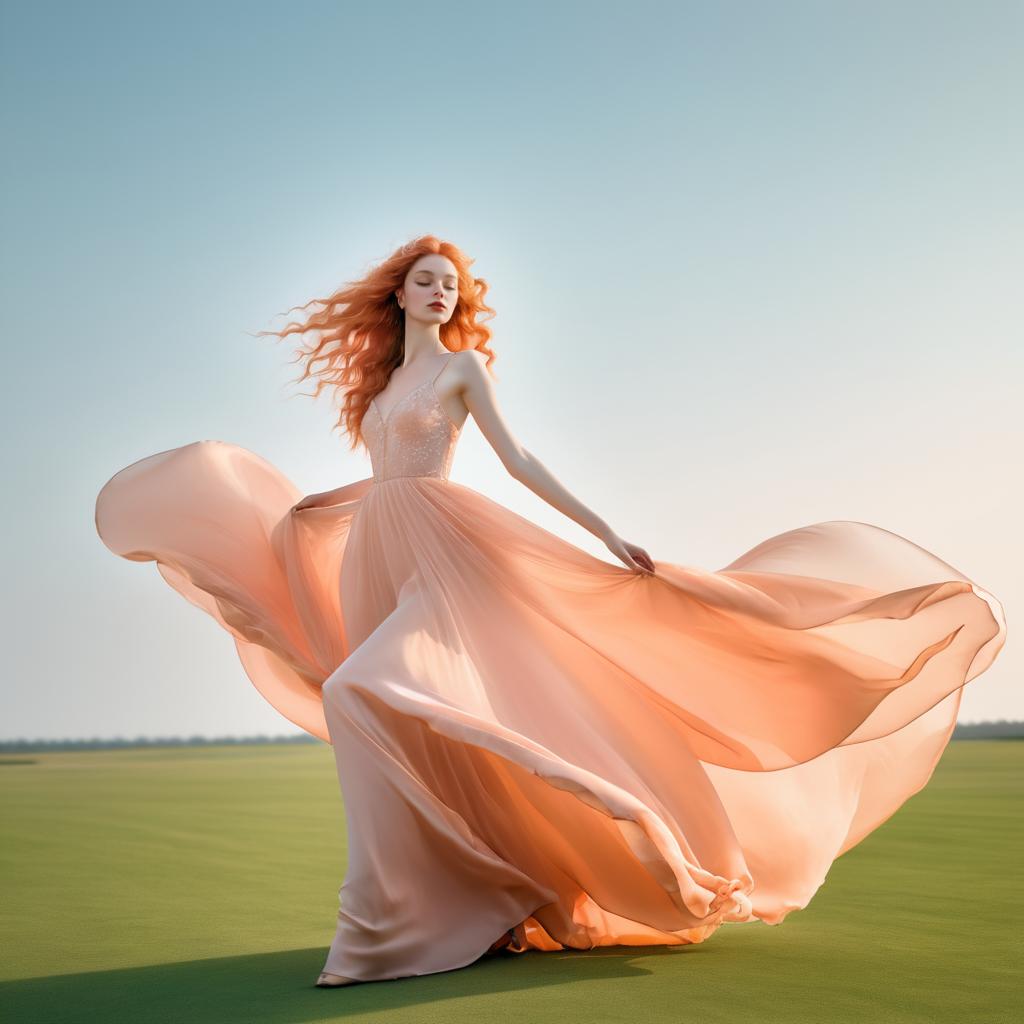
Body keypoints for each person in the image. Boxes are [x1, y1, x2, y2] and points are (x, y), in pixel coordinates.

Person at [94, 235, 1007, 989]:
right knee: (416, 725)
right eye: (424, 280)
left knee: (361, 693)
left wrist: (605, 528)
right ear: (398, 292)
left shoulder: (463, 370)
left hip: (447, 557)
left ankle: (386, 926)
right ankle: (483, 901)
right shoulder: (379, 392)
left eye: (451, 285)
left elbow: (519, 461)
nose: (439, 294)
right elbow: (383, 475)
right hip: (381, 544)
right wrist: (322, 508)